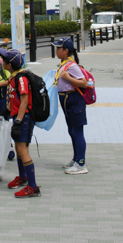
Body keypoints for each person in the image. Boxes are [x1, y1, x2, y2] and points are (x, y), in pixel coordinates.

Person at [0, 47, 41, 198]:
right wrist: (7, 111)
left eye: (3, 60)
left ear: (9, 65)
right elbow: (13, 100)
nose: (1, 61)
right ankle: (23, 177)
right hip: (18, 117)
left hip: (24, 118)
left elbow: (24, 102)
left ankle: (33, 187)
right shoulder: (12, 78)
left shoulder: (21, 79)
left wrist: (18, 121)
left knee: (23, 151)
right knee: (18, 148)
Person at [53, 36, 88, 175]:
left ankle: (81, 164)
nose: (56, 51)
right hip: (66, 100)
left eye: (58, 48)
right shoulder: (64, 63)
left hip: (74, 100)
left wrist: (68, 78)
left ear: (66, 51)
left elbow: (84, 83)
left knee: (77, 132)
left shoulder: (72, 66)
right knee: (71, 131)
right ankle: (76, 159)